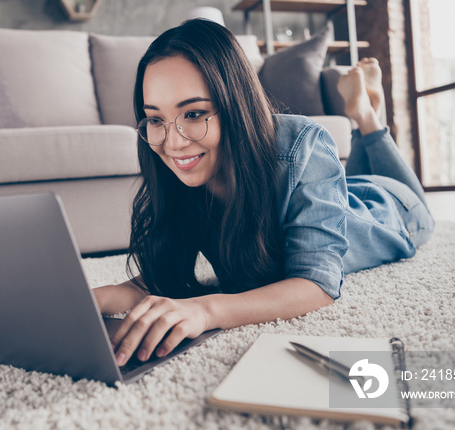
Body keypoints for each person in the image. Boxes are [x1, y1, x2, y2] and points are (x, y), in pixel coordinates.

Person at [93, 19, 434, 367]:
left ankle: (366, 117)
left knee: (418, 204)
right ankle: (364, 115)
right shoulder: (186, 173)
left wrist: (206, 310)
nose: (173, 142)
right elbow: (160, 277)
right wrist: (91, 300)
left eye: (194, 113)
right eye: (155, 120)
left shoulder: (303, 145)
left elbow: (316, 284)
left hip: (391, 209)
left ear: (236, 103)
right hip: (337, 194)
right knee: (344, 186)